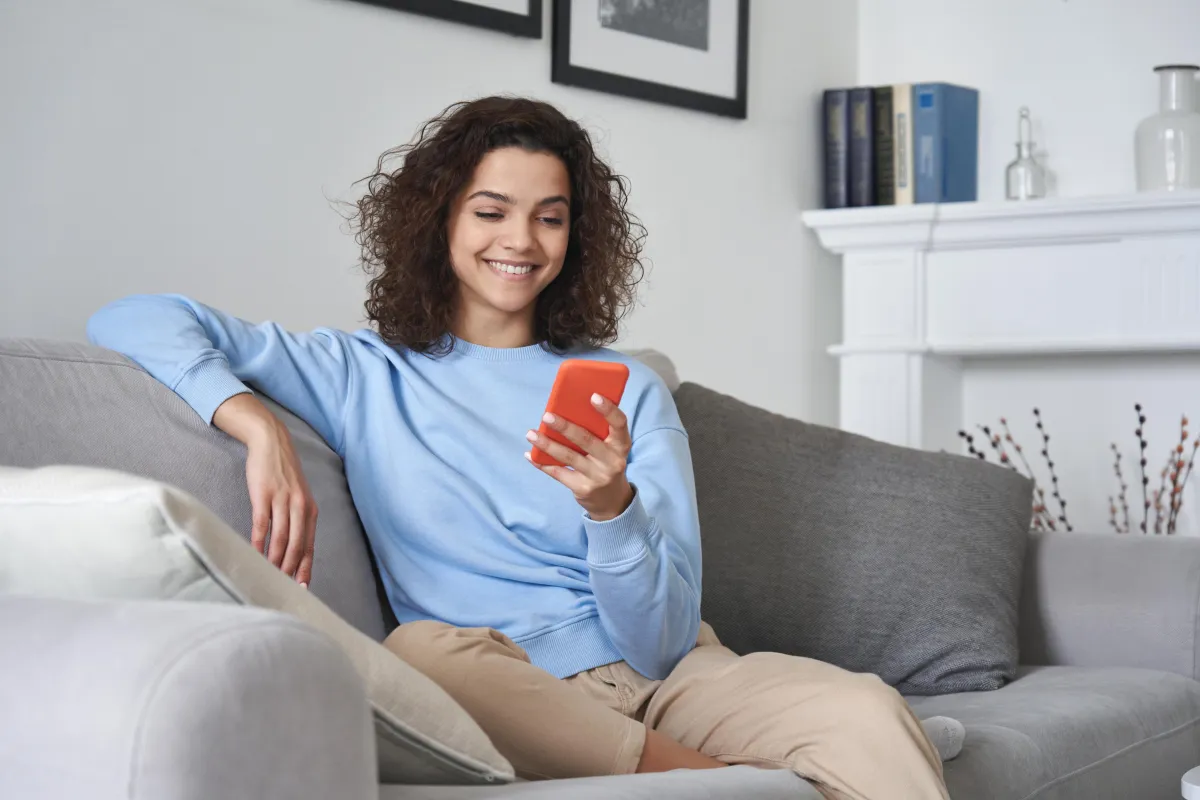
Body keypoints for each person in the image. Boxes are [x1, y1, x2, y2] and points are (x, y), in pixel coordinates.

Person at [88, 96, 956, 799]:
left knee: (867, 713)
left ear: (575, 237)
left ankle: (698, 773)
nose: (520, 241)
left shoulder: (630, 390)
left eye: (549, 217)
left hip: (673, 677)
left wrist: (611, 510)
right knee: (419, 656)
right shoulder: (359, 373)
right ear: (440, 220)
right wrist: (253, 420)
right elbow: (133, 318)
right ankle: (711, 785)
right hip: (505, 683)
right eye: (492, 211)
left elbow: (659, 646)